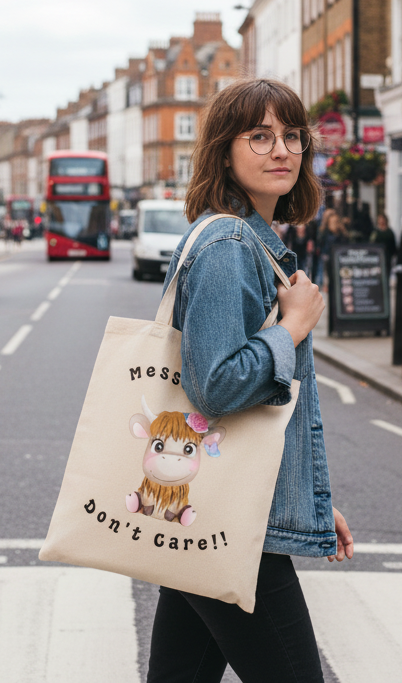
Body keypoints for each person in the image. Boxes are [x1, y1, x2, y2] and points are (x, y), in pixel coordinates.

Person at [150, 78, 352, 683]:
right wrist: (290, 329)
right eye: (259, 136)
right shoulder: (231, 244)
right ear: (225, 151)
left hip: (215, 504)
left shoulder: (245, 242)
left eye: (291, 135)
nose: (281, 150)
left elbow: (248, 415)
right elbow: (213, 387)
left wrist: (311, 495)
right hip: (233, 526)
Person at [317, 212, 349, 292]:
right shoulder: (325, 232)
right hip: (328, 259)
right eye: (332, 222)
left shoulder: (341, 234)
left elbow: (346, 244)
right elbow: (321, 244)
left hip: (339, 259)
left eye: (335, 221)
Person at [370, 212, 398, 277]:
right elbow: (372, 243)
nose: (381, 221)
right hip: (377, 257)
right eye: (380, 220)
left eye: (382, 220)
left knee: (387, 273)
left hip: (387, 257)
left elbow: (393, 246)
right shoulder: (375, 232)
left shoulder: (390, 232)